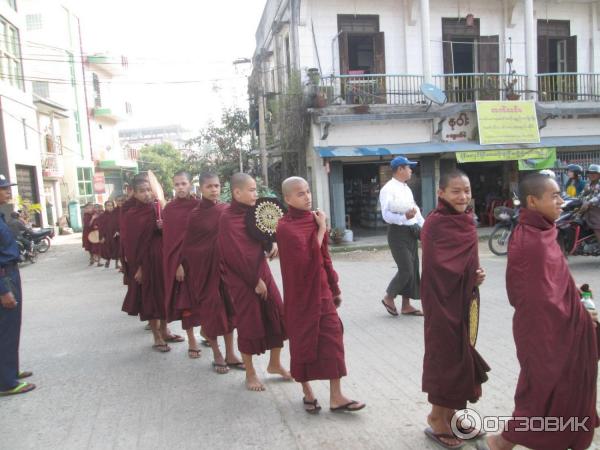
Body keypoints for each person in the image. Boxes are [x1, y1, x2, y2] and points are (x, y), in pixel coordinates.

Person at [485, 173, 599, 450]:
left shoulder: (545, 231)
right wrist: (573, 320)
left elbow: (559, 282)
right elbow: (533, 300)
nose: (561, 201)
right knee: (542, 388)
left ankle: (562, 436)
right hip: (545, 334)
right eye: (555, 196)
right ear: (533, 201)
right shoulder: (529, 242)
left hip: (565, 325)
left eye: (561, 194)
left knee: (566, 387)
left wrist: (580, 304)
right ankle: (506, 440)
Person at [277, 176, 365, 414]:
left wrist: (334, 287)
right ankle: (307, 392)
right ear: (287, 199)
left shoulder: (313, 219)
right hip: (300, 296)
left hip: (322, 291)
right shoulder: (285, 227)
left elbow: (324, 256)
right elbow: (306, 259)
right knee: (302, 343)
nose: (307, 197)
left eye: (307, 192)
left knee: (333, 339)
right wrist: (323, 228)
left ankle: (336, 396)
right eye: (300, 194)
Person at [420, 171, 489, 449]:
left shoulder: (466, 220)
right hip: (441, 301)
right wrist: (466, 276)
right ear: (441, 193)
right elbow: (439, 267)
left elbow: (468, 258)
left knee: (461, 353)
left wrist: (476, 274)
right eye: (455, 191)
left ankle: (452, 417)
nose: (462, 197)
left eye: (466, 190)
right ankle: (437, 418)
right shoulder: (435, 224)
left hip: (464, 299)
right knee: (445, 356)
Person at [218, 173, 289, 391]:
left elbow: (266, 230)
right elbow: (234, 255)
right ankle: (250, 373)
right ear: (237, 192)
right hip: (242, 278)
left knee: (278, 312)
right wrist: (254, 281)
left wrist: (273, 242)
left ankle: (274, 363)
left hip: (261, 270)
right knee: (249, 323)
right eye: (251, 190)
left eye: (255, 190)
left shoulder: (254, 212)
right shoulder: (228, 218)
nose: (255, 194)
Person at [178, 172, 243, 373]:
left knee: (230, 311)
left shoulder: (226, 209)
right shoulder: (196, 215)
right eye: (209, 187)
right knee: (212, 313)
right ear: (201, 189)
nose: (214, 190)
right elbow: (189, 245)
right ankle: (217, 353)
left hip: (226, 270)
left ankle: (231, 353)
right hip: (204, 271)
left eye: (216, 186)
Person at [120, 176, 183, 352]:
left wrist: (163, 227)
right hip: (144, 263)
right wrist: (138, 268)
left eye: (149, 190)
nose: (147, 194)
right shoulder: (131, 213)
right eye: (142, 191)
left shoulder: (157, 207)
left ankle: (165, 329)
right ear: (134, 192)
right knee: (150, 298)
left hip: (162, 258)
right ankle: (156, 335)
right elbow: (131, 244)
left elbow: (171, 232)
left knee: (165, 295)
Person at [0, 174, 35, 396]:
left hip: (10, 272)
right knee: (6, 329)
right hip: (4, 277)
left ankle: (9, 370)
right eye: (3, 188)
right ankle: (6, 382)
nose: (7, 191)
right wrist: (3, 291)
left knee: (12, 327)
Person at [379, 156, 424, 317]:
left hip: (411, 230)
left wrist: (424, 227)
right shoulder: (388, 189)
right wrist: (404, 218)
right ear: (400, 169)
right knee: (406, 269)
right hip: (397, 233)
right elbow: (386, 215)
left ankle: (406, 305)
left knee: (414, 268)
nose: (411, 170)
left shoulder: (407, 188)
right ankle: (388, 297)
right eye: (409, 167)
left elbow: (415, 211)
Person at [162, 171, 200, 357]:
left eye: (184, 183)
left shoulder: (198, 206)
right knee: (187, 304)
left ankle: (209, 334)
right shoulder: (169, 209)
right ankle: (192, 339)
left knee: (206, 300)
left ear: (190, 183)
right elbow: (170, 241)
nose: (180, 187)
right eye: (177, 184)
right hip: (182, 265)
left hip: (200, 262)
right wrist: (177, 264)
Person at [580, 164, 600, 246]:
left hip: (597, 210)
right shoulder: (588, 184)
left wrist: (589, 202)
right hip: (587, 209)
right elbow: (581, 195)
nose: (592, 175)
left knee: (597, 227)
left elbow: (598, 197)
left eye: (594, 173)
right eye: (590, 173)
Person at [99, 200, 121, 269]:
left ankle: (116, 264)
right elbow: (100, 227)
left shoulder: (116, 214)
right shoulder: (102, 216)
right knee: (107, 249)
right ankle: (107, 261)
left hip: (115, 234)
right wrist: (101, 236)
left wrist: (118, 231)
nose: (110, 207)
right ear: (105, 207)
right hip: (106, 235)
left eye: (111, 205)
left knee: (117, 249)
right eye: (108, 205)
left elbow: (119, 223)